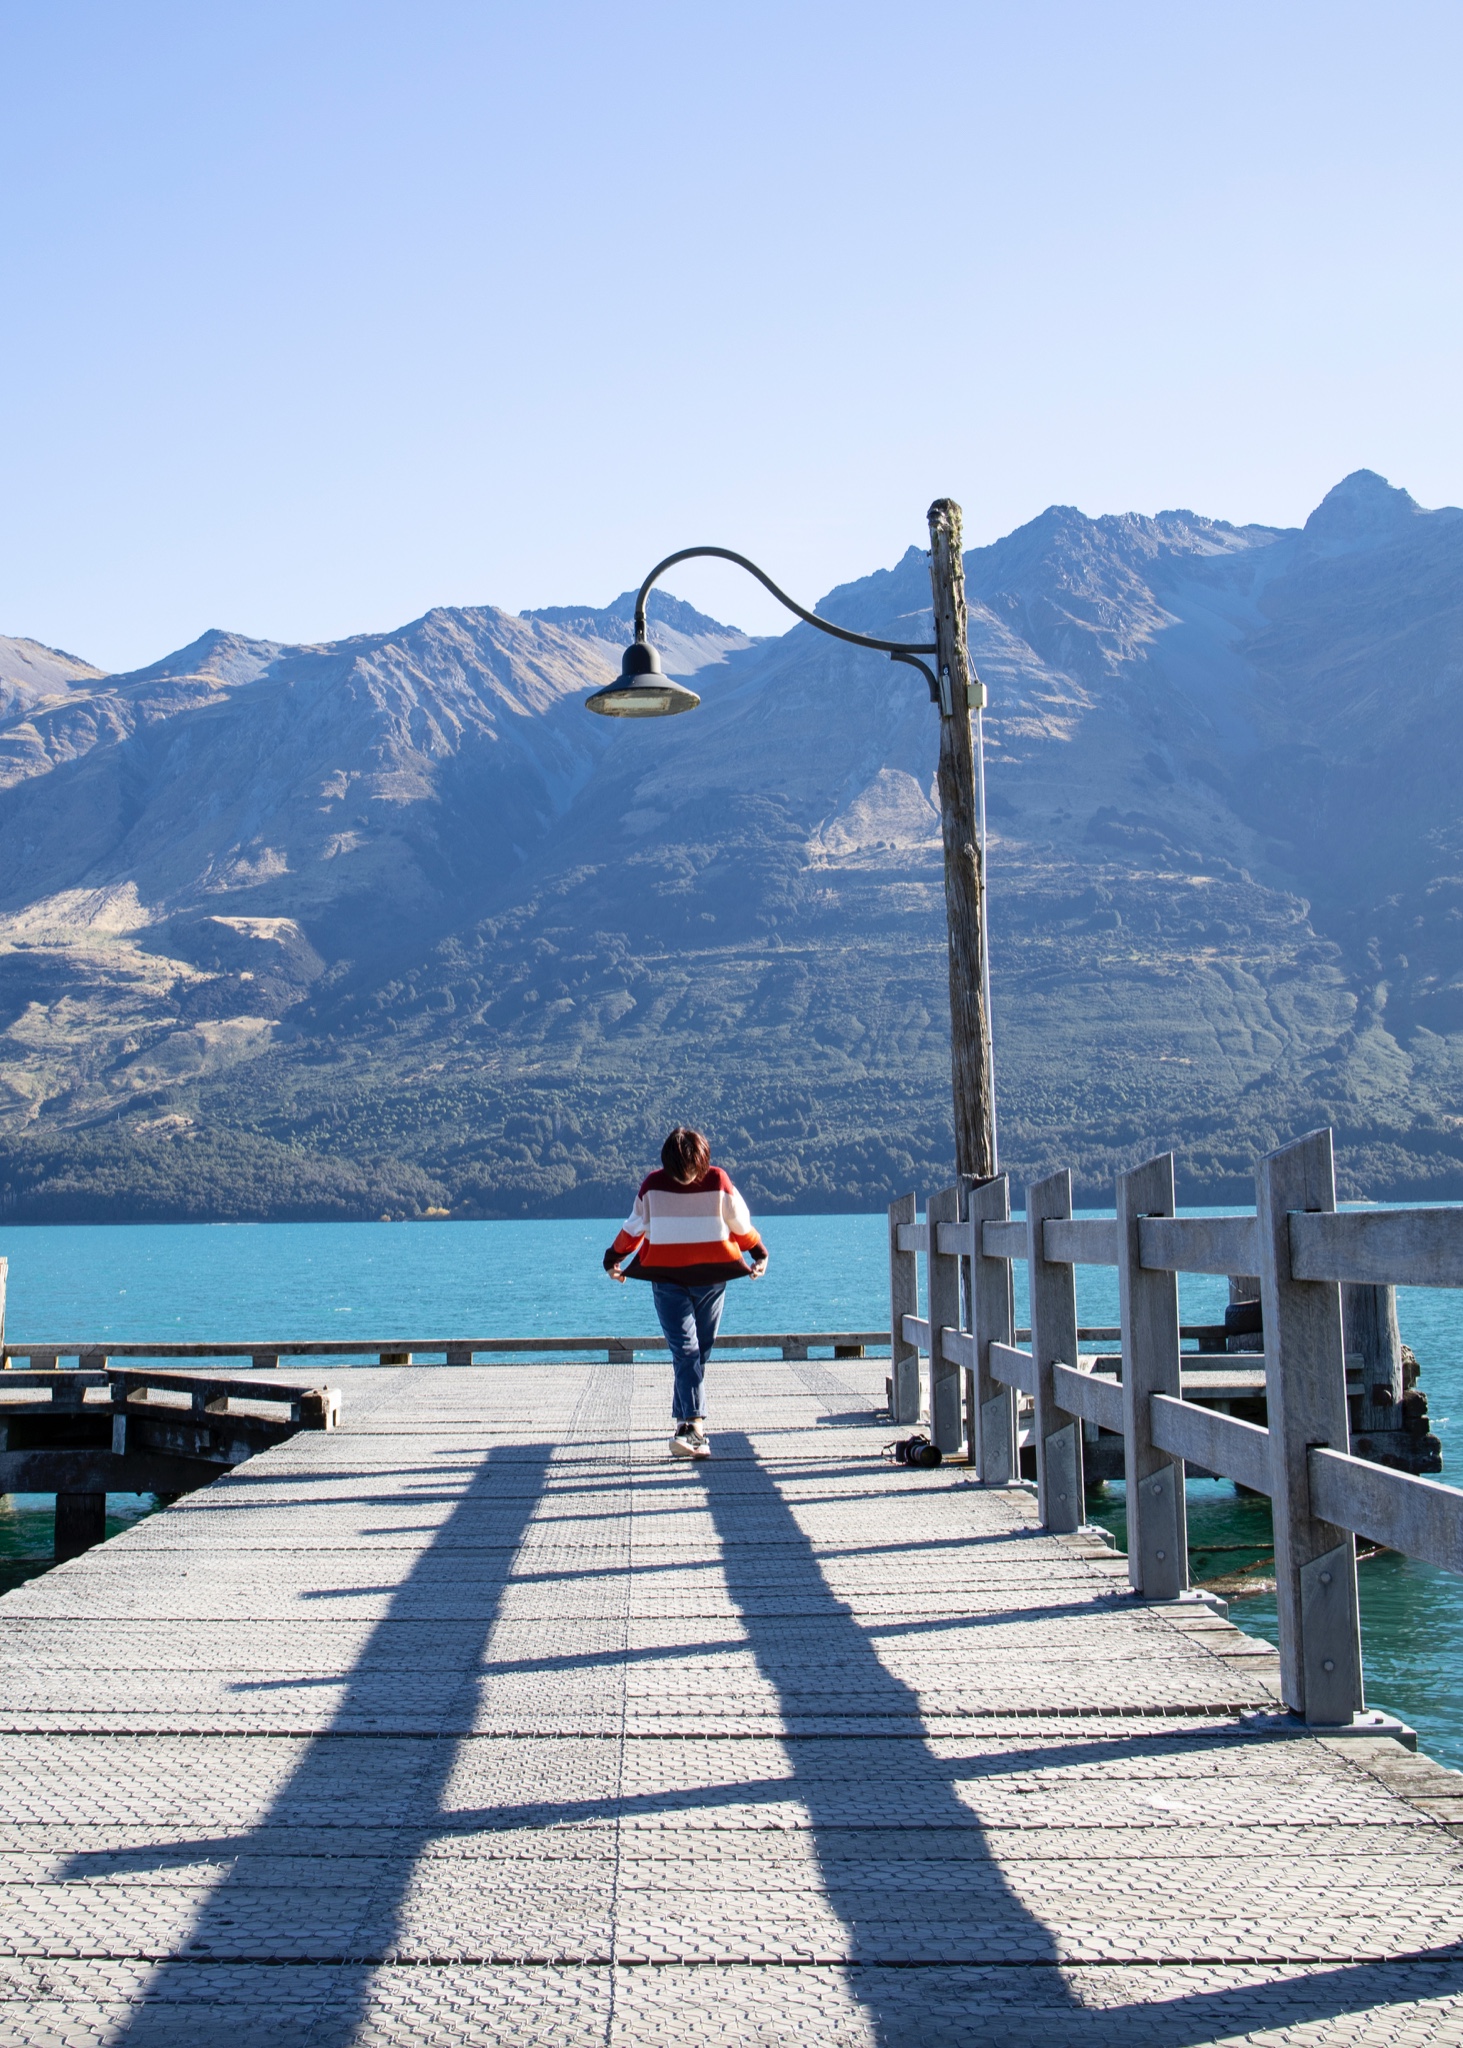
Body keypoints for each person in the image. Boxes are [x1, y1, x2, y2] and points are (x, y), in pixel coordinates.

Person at [604, 1126, 768, 1458]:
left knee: (698, 1352)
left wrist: (759, 1253)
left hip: (712, 1278)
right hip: (667, 1280)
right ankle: (694, 1428)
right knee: (687, 1350)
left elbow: (741, 1224)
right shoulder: (652, 1185)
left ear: (702, 1162)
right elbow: (634, 1227)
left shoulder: (719, 1181)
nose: (684, 1178)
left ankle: (685, 1425)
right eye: (678, 1173)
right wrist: (613, 1258)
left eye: (690, 1172)